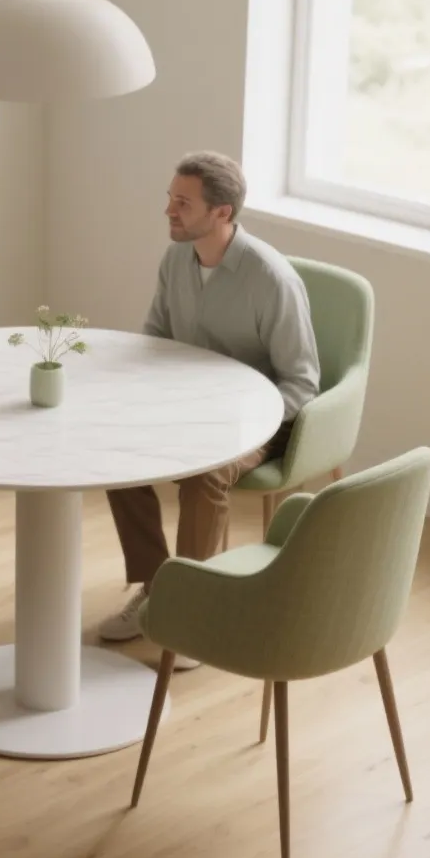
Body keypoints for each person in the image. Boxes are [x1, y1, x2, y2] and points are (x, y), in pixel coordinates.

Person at [98, 152, 321, 661]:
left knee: (207, 476)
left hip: (261, 423)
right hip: (188, 410)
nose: (169, 211)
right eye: (170, 198)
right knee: (112, 449)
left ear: (222, 213)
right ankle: (158, 587)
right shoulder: (177, 259)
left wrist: (239, 423)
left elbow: (302, 382)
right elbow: (155, 336)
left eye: (183, 202)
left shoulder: (271, 280)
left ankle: (194, 613)